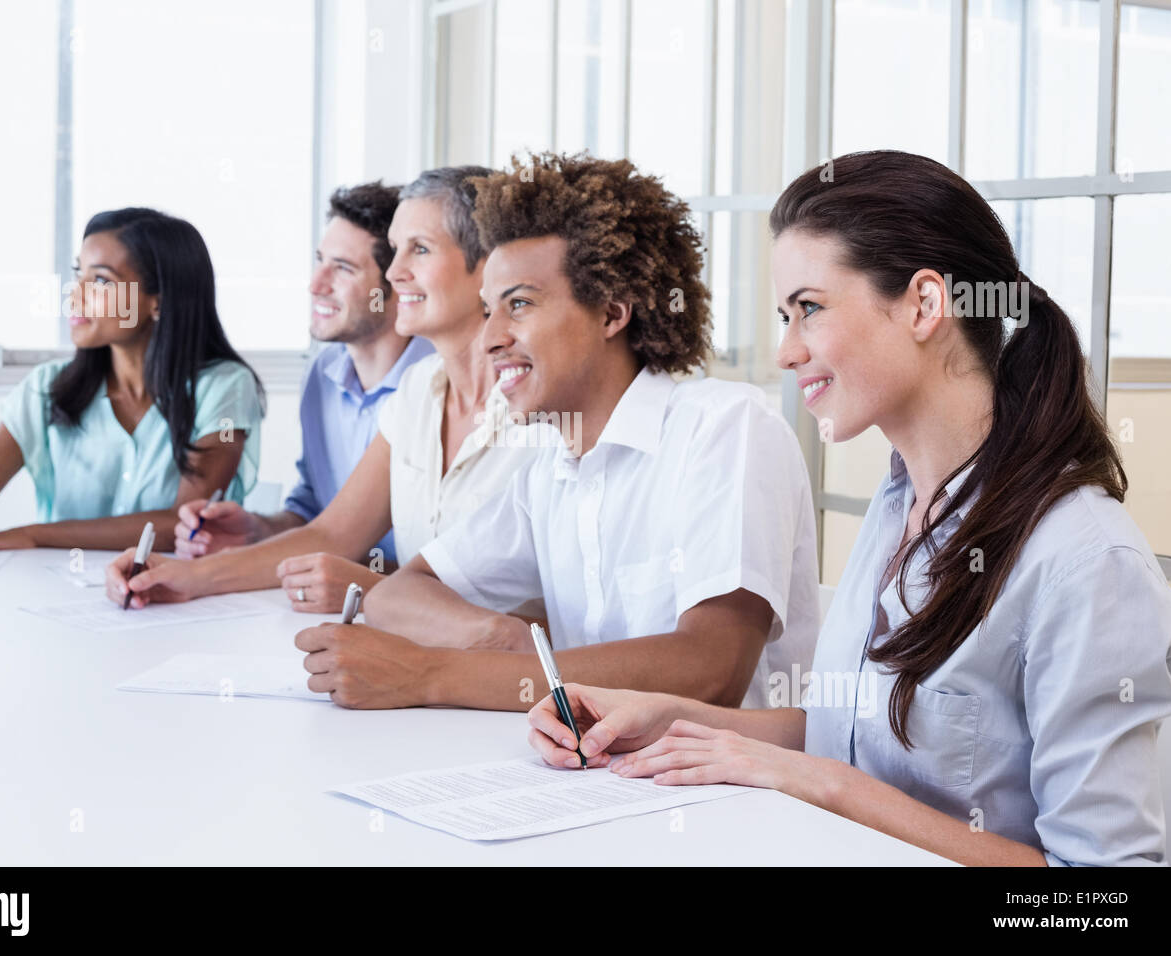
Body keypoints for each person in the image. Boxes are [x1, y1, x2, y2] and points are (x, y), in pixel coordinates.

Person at [526, 150, 1171, 867]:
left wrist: (829, 788)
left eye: (809, 309)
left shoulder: (1083, 561)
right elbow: (850, 740)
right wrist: (667, 719)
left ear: (925, 305)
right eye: (784, 315)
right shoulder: (902, 503)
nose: (784, 351)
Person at [296, 152, 821, 712]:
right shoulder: (551, 465)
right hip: (591, 777)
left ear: (611, 313)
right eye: (488, 309)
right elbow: (399, 594)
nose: (492, 337)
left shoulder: (724, 428)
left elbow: (708, 670)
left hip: (729, 793)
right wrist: (502, 643)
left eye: (519, 304)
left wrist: (432, 674)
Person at [104, 167, 545, 613]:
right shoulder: (418, 391)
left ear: (488, 268)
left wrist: (373, 590)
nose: (394, 274)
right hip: (408, 655)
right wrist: (185, 576)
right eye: (395, 251)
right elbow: (332, 534)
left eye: (421, 250)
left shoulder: (543, 409)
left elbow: (542, 613)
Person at [0, 208, 264, 568]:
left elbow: (179, 522)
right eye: (77, 274)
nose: (74, 295)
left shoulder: (225, 388)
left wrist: (31, 535)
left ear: (157, 303)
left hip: (176, 597)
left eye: (99, 280)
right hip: (60, 591)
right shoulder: (47, 389)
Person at [172, 181, 432, 567]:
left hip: (408, 612)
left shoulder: (437, 384)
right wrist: (254, 531)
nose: (316, 285)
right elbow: (312, 514)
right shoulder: (322, 374)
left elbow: (463, 570)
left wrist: (361, 576)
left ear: (396, 282)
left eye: (342, 269)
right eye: (319, 260)